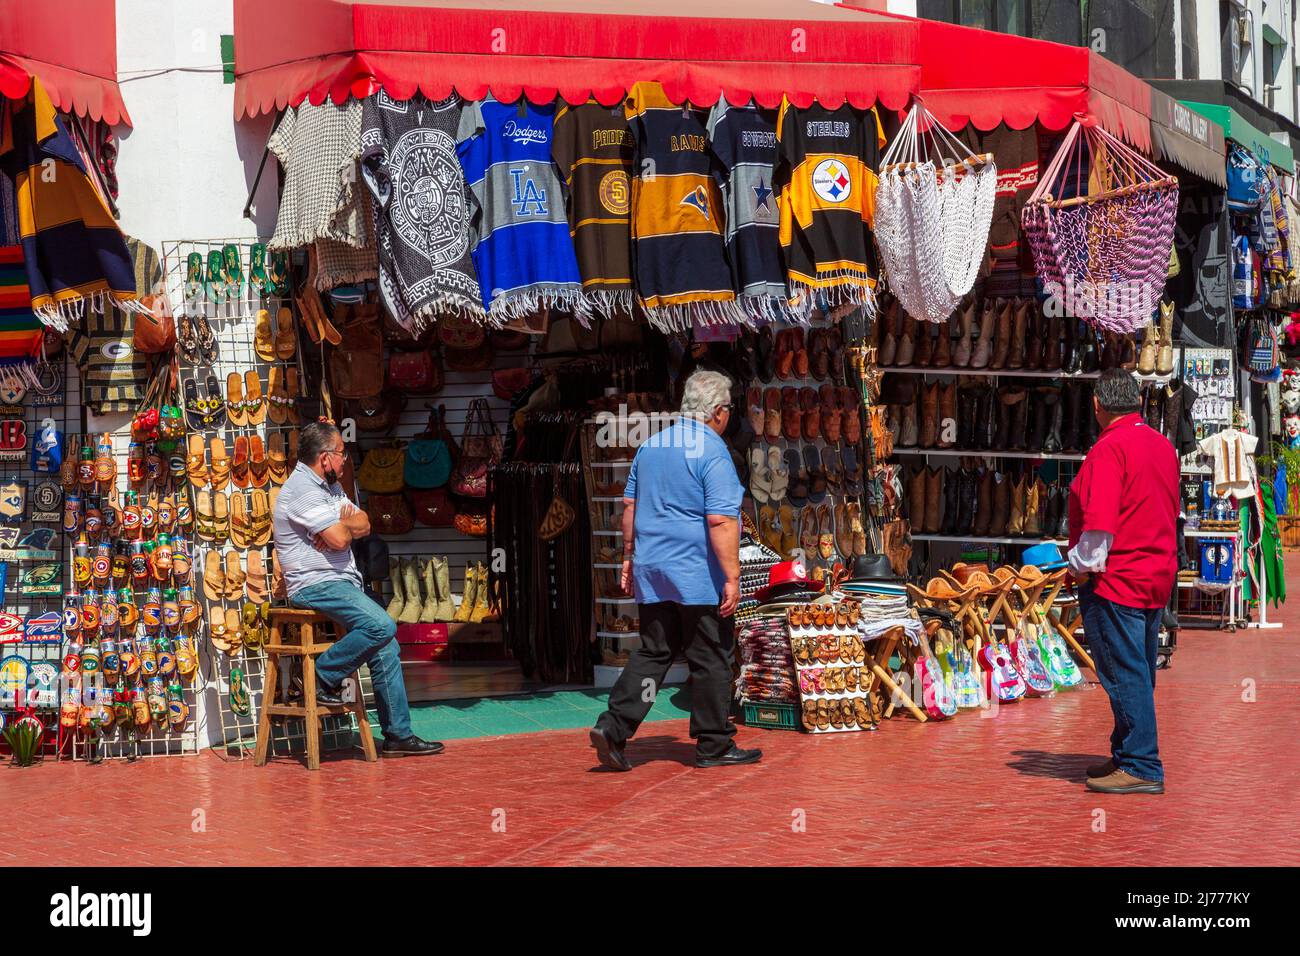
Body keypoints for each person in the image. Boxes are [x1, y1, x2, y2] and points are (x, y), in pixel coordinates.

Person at [589, 370, 761, 771]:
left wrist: (628, 557)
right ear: (718, 411)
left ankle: (613, 727)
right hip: (696, 574)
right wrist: (733, 577)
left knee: (654, 652)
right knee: (711, 656)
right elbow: (721, 521)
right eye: (728, 410)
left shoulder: (650, 446)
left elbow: (629, 509)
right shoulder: (713, 452)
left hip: (654, 569)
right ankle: (714, 743)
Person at [272, 421, 444, 757]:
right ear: (325, 458)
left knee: (387, 646)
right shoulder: (303, 490)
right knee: (381, 624)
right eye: (340, 454)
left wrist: (340, 524)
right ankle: (319, 677)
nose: (345, 460)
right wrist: (338, 527)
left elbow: (364, 523)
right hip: (315, 583)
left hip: (341, 582)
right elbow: (338, 538)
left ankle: (397, 735)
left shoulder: (330, 488)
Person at [1067, 368, 1179, 794]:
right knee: (1139, 669)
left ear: (1097, 405)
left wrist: (1076, 565)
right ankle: (1127, 752)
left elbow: (1099, 532)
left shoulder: (1109, 450)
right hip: (1155, 575)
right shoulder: (1161, 446)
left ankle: (1141, 764)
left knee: (1125, 672)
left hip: (1118, 579)